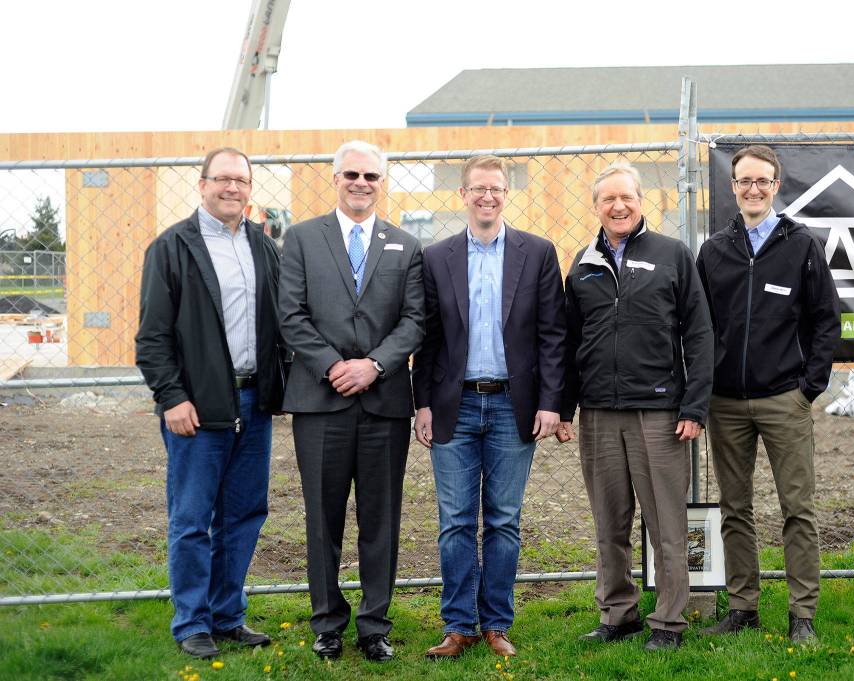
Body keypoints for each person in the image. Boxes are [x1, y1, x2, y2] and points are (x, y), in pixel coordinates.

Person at [411, 155, 567, 659]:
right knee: (455, 519)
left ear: (506, 195)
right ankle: (459, 626)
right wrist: (423, 405)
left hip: (511, 406)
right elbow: (427, 338)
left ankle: (497, 623)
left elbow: (552, 335)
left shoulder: (537, 253)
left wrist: (551, 403)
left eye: (496, 189)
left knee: (503, 519)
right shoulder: (436, 257)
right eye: (478, 188)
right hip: (453, 404)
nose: (487, 196)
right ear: (462, 195)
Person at [278, 140, 424, 663]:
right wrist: (334, 365)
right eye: (352, 175)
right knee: (323, 517)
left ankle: (374, 625)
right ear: (335, 178)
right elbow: (290, 314)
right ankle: (327, 623)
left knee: (381, 518)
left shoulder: (405, 246)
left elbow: (414, 320)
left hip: (384, 403)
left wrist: (376, 364)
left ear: (383, 182)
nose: (361, 183)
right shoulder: (299, 240)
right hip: (321, 403)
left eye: (371, 176)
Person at [558, 162, 713, 651]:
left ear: (642, 201)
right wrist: (564, 408)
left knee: (666, 521)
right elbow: (568, 343)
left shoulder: (672, 255)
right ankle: (618, 613)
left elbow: (701, 334)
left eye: (626, 197)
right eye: (608, 199)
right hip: (600, 411)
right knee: (609, 520)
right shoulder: (582, 264)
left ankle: (669, 620)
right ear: (597, 206)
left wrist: (694, 406)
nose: (618, 206)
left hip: (660, 413)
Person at [136, 147, 283, 659]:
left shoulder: (264, 248)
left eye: (241, 181)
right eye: (222, 179)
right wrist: (171, 397)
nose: (232, 189)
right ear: (202, 185)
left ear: (250, 187)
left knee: (244, 513)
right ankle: (192, 622)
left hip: (253, 403)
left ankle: (228, 614)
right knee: (193, 517)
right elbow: (152, 336)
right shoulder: (173, 247)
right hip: (198, 408)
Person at [696, 145, 840, 644]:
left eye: (762, 181)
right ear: (732, 187)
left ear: (776, 185)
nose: (752, 189)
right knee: (735, 509)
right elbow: (698, 325)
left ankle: (803, 616)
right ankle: (743, 609)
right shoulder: (714, 250)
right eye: (743, 181)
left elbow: (826, 319)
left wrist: (809, 389)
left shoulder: (800, 245)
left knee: (797, 509)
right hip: (726, 404)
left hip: (785, 400)